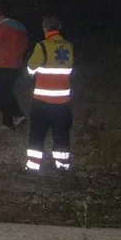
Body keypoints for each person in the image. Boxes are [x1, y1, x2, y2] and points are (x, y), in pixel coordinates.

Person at [25, 16, 75, 173]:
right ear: (59, 28)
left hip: (42, 101)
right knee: (61, 133)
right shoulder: (69, 46)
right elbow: (70, 69)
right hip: (63, 102)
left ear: (44, 28)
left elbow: (30, 68)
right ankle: (62, 165)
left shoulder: (42, 46)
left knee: (37, 134)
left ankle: (33, 167)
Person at [0, 4, 29, 130]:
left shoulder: (3, 28)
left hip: (3, 65)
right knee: (6, 92)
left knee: (2, 95)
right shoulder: (20, 27)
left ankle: (11, 120)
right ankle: (14, 117)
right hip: (15, 64)